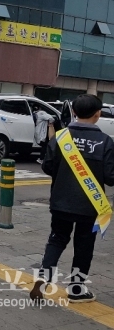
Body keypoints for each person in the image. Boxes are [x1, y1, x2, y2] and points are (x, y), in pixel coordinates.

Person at [30, 94, 114, 304]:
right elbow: (111, 177)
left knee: (57, 238)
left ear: (74, 113)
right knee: (85, 245)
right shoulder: (105, 142)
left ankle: (43, 278)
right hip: (91, 207)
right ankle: (76, 289)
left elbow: (47, 166)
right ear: (98, 114)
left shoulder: (60, 137)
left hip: (60, 203)